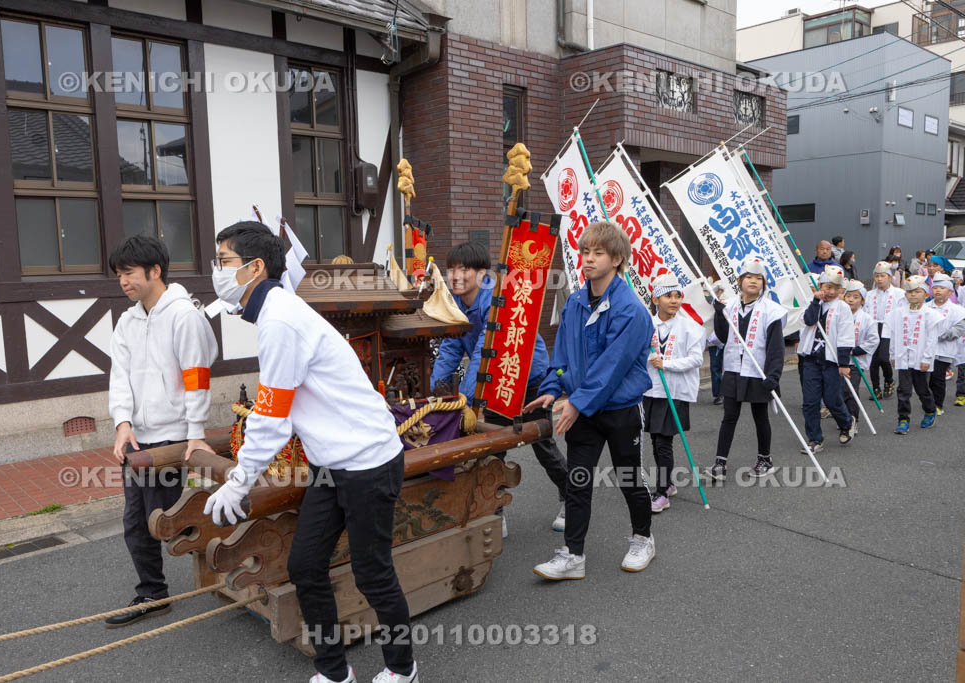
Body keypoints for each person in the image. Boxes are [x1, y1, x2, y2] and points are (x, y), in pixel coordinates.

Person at [202, 222, 418, 683]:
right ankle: (335, 671)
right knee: (304, 564)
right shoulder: (275, 311)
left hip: (367, 461)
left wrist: (238, 481)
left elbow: (271, 415)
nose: (216, 270)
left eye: (224, 261)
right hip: (330, 462)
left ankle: (402, 670)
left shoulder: (280, 320)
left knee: (372, 572)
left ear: (255, 268)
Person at [525, 221, 655, 581]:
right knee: (578, 480)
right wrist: (552, 387)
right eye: (585, 251)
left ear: (617, 259)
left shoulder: (631, 309)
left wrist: (576, 402)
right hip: (583, 408)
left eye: (598, 252)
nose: (588, 258)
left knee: (629, 477)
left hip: (619, 410)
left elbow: (612, 367)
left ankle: (643, 538)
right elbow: (563, 354)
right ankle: (573, 554)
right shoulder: (576, 303)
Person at [106, 235, 218, 627]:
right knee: (136, 521)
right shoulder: (128, 319)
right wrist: (122, 424)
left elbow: (197, 375)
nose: (123, 281)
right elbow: (119, 375)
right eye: (119, 274)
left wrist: (196, 430)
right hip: (137, 439)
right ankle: (152, 593)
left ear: (155, 271)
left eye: (130, 272)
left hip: (172, 437)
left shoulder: (183, 314)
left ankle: (221, 551)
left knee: (165, 520)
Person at [430, 241, 568, 534]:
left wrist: (466, 399)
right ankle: (495, 509)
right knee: (493, 446)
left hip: (529, 377)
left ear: (482, 274)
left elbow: (484, 353)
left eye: (463, 269)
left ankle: (570, 497)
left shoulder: (499, 298)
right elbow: (450, 349)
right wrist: (436, 392)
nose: (455, 276)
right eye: (451, 269)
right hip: (497, 380)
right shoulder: (455, 305)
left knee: (541, 442)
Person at [709, 258, 787, 481]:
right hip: (734, 369)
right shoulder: (730, 305)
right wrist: (718, 313)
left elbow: (776, 348)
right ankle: (720, 462)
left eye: (758, 278)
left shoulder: (771, 310)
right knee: (729, 416)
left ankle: (765, 458)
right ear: (739, 281)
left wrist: (774, 375)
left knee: (760, 416)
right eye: (749, 277)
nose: (753, 281)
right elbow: (723, 337)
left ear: (763, 282)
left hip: (758, 370)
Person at [643, 273, 705, 513]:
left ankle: (662, 492)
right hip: (652, 390)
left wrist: (666, 364)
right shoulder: (647, 324)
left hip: (675, 391)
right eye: (668, 296)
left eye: (677, 296)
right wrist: (648, 356)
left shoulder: (691, 327)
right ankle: (666, 483)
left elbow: (696, 359)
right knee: (656, 440)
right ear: (655, 299)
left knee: (664, 441)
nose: (674, 300)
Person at [796, 266, 857, 453]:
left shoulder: (843, 308)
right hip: (811, 359)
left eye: (833, 288)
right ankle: (815, 438)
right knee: (810, 401)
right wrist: (816, 301)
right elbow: (807, 320)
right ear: (819, 286)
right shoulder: (812, 302)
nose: (828, 292)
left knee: (832, 399)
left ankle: (847, 422)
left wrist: (844, 363)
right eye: (825, 286)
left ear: (840, 290)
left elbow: (846, 336)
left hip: (831, 361)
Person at [889, 275, 942, 434]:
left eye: (917, 291)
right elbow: (893, 334)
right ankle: (903, 419)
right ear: (905, 294)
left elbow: (932, 339)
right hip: (903, 357)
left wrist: (927, 358)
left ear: (926, 295)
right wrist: (893, 354)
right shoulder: (898, 313)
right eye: (910, 292)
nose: (913, 295)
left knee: (922, 389)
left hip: (921, 359)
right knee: (903, 390)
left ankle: (930, 410)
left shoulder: (930, 314)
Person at [925, 273, 965, 415]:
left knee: (938, 378)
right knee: (926, 380)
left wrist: (942, 335)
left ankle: (938, 405)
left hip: (945, 350)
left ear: (950, 291)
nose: (938, 290)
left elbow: (959, 329)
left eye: (942, 288)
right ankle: (929, 402)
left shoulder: (958, 310)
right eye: (935, 287)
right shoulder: (926, 307)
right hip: (927, 349)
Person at [841, 280, 879, 426]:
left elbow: (873, 340)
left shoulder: (867, 319)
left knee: (851, 390)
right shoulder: (839, 315)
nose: (851, 299)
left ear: (862, 300)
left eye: (855, 297)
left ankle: (852, 419)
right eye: (848, 296)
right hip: (839, 359)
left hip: (855, 361)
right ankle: (843, 418)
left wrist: (855, 350)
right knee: (839, 391)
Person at [866, 261, 906, 399]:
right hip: (873, 326)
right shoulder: (869, 294)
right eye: (876, 276)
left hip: (889, 327)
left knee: (884, 357)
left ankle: (889, 380)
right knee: (873, 360)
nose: (879, 279)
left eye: (882, 276)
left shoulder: (899, 294)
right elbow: (865, 312)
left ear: (889, 277)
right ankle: (875, 388)